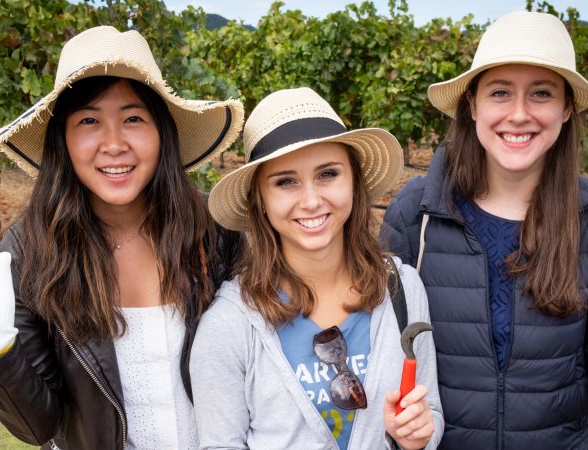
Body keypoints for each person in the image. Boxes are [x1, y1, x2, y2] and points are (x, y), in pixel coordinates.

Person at [0, 26, 244, 449]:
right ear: (63, 140)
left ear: (161, 132)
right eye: (89, 121)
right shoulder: (30, 252)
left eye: (133, 119)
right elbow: (39, 427)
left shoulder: (213, 229)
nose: (113, 143)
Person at [192, 87, 444, 450]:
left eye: (328, 174)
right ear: (260, 200)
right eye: (285, 181)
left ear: (354, 183)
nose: (311, 200)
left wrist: (419, 434)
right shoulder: (230, 326)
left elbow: (429, 412)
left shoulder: (401, 289)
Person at [380, 11, 588, 450]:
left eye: (541, 94)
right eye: (500, 93)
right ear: (472, 104)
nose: (518, 114)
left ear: (566, 108)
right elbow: (384, 355)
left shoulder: (584, 220)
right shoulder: (415, 217)